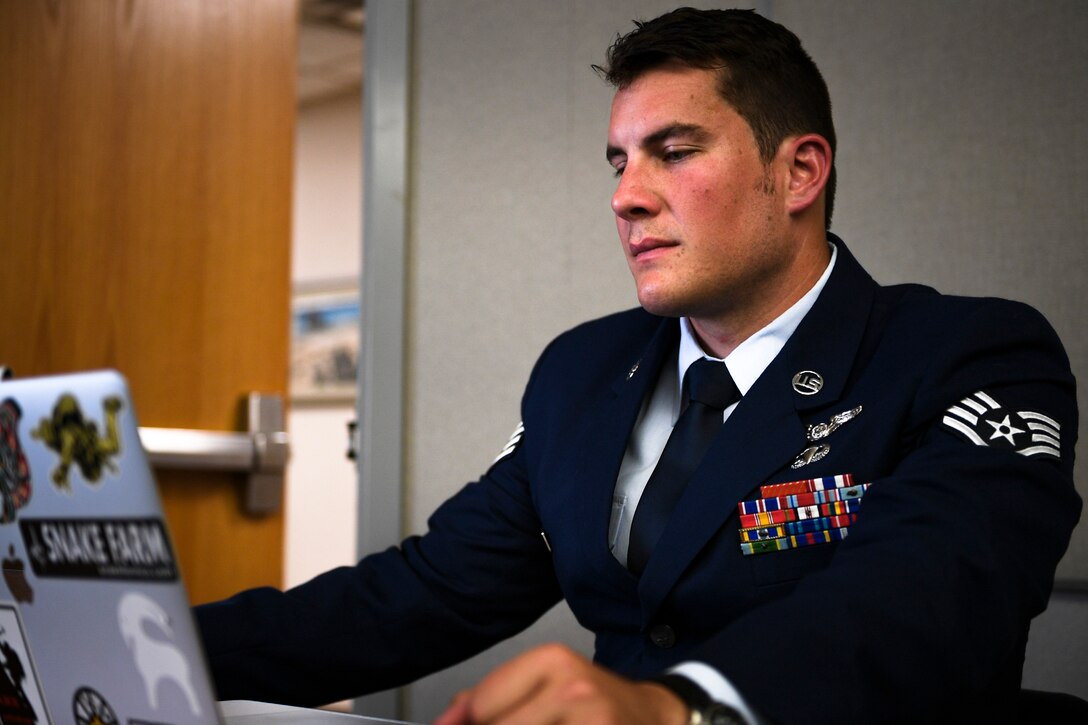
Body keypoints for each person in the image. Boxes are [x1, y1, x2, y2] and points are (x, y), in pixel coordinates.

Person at [195, 8, 1081, 724]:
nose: (626, 194)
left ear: (800, 171)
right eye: (620, 161)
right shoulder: (582, 371)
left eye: (676, 151)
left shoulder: (969, 357)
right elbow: (425, 592)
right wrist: (163, 649)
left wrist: (678, 705)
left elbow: (924, 600)